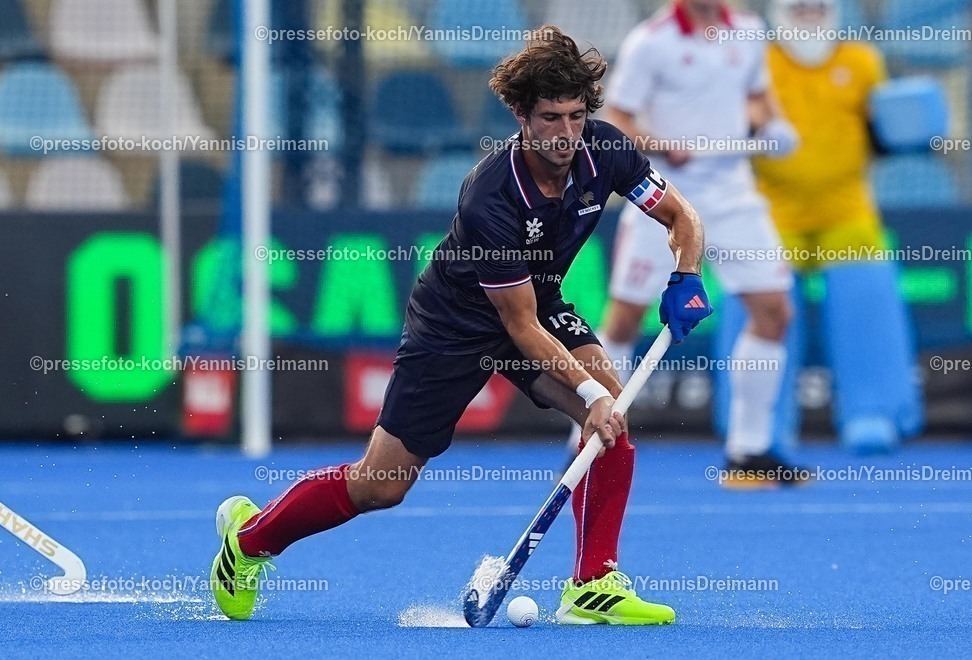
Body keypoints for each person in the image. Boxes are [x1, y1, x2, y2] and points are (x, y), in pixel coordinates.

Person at [210, 26, 712, 625]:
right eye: (551, 118)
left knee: (611, 422)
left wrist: (687, 276)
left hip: (538, 300)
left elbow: (682, 217)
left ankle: (592, 585)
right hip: (454, 324)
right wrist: (588, 393)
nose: (566, 134)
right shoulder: (491, 198)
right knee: (381, 484)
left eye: (577, 116)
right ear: (521, 115)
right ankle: (249, 541)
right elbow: (519, 328)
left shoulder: (605, 150)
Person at [592, 0, 807, 487]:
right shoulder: (650, 42)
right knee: (624, 319)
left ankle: (749, 451)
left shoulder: (749, 31)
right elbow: (618, 120)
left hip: (734, 196)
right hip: (661, 196)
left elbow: (757, 98)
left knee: (775, 312)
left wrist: (770, 127)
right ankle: (584, 442)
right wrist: (661, 146)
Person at [750, 0, 922, 452]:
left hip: (848, 213)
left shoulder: (862, 61)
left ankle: (875, 411)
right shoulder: (756, 62)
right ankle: (758, 423)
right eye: (799, 6)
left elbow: (884, 135)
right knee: (760, 307)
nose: (810, 12)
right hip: (772, 214)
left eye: (818, 5)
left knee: (866, 303)